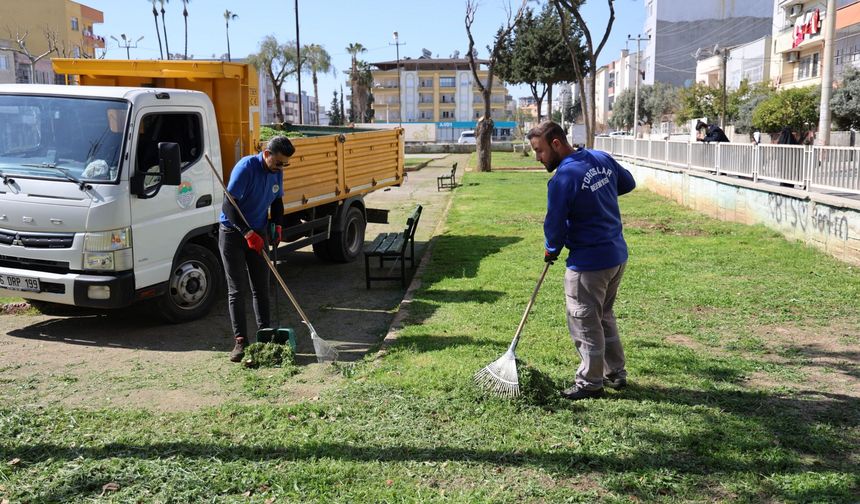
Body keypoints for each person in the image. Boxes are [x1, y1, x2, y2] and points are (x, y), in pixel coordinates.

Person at [527, 121, 636, 401]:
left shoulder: (563, 178)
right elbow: (627, 183)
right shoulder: (599, 157)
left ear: (555, 143)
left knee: (584, 321)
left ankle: (590, 382)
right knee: (604, 317)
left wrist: (551, 249)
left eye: (539, 151)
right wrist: (598, 195)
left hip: (589, 264)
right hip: (615, 256)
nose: (538, 158)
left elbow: (554, 225)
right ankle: (616, 373)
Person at [219, 136, 294, 362]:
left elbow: (277, 201)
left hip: (259, 230)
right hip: (233, 232)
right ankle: (240, 342)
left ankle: (265, 335)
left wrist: (278, 224)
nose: (281, 168)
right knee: (236, 289)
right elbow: (227, 205)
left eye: (285, 164)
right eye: (279, 162)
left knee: (261, 286)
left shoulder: (276, 171)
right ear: (267, 153)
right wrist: (247, 233)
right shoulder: (245, 168)